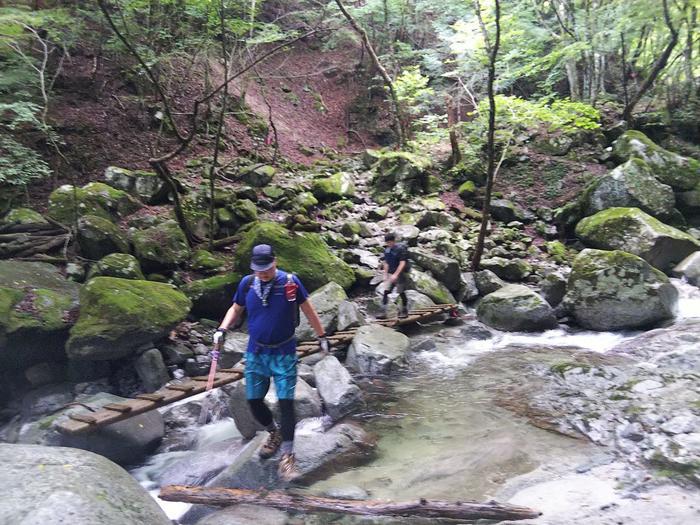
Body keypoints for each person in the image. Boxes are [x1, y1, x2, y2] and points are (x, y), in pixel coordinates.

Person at [214, 244, 330, 481]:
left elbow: (308, 310)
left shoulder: (290, 282)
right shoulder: (247, 283)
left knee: (286, 404)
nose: (263, 273)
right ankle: (273, 432)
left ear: (275, 262)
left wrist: (322, 336)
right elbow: (236, 309)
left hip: (284, 352)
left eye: (266, 269)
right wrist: (222, 329)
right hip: (256, 352)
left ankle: (287, 458)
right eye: (258, 269)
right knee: (254, 400)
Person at [379, 232, 410, 318]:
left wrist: (396, 274)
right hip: (390, 273)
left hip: (400, 273)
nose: (389, 244)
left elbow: (402, 263)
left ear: (393, 241)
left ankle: (404, 310)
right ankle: (383, 312)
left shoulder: (400, 249)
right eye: (387, 243)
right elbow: (386, 263)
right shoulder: (387, 250)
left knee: (401, 292)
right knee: (386, 291)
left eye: (390, 242)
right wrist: (385, 274)